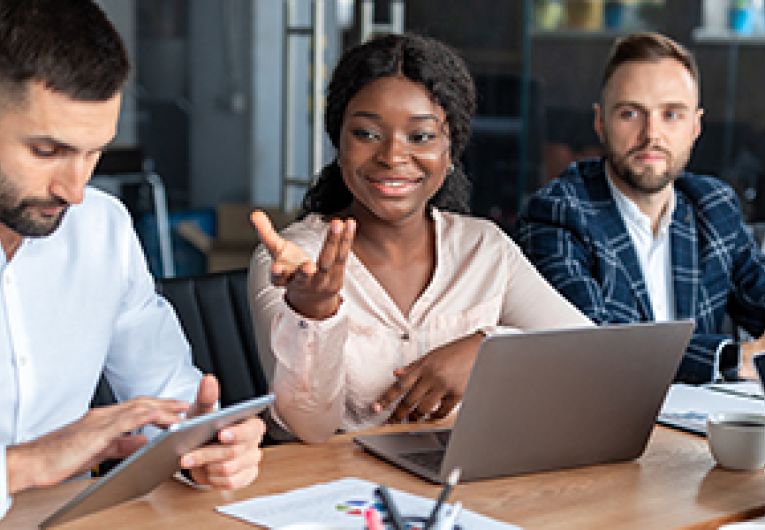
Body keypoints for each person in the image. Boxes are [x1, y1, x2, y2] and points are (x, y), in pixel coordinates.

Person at [249, 33, 591, 444]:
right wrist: (315, 313)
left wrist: (488, 349)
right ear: (339, 142)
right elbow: (309, 429)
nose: (393, 156)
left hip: (468, 481)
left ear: (451, 151)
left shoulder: (483, 248)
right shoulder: (294, 261)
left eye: (421, 136)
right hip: (349, 495)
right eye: (367, 134)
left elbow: (589, 354)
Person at [0, 0, 264, 518]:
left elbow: (165, 395)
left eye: (93, 153)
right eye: (48, 152)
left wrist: (209, 441)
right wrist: (24, 466)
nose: (75, 191)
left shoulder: (102, 227)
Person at [515, 32, 765, 385]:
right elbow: (596, 344)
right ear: (600, 123)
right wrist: (729, 358)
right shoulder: (557, 213)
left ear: (696, 125)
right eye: (631, 113)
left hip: (700, 427)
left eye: (671, 115)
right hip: (601, 426)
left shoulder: (713, 204)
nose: (651, 135)